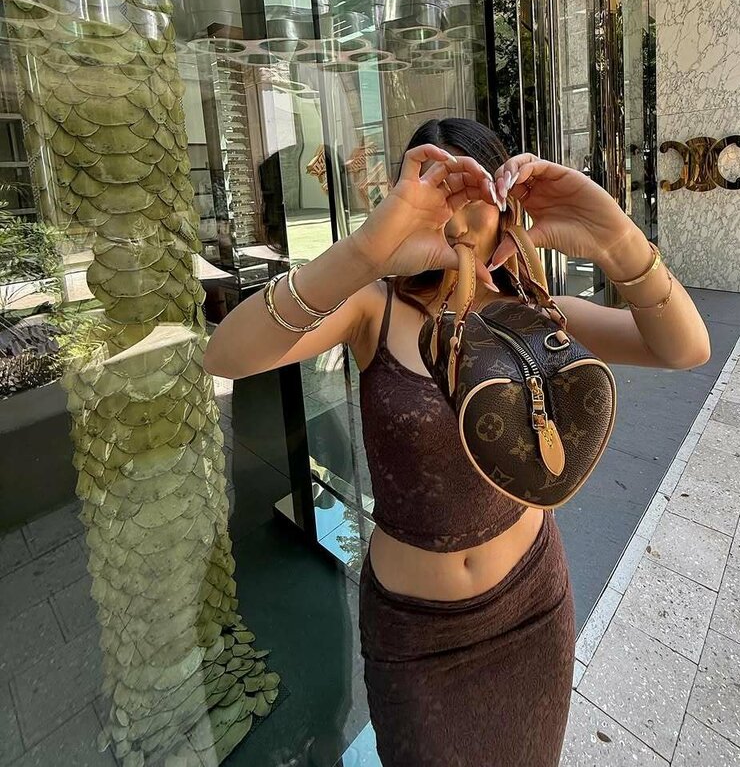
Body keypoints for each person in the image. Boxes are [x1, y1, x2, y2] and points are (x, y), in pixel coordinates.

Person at [204, 117, 711, 767]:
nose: (454, 220)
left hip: (533, 607)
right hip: (418, 635)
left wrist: (618, 238)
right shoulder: (373, 307)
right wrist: (366, 253)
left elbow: (684, 348)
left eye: (471, 196)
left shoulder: (533, 312)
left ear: (504, 208)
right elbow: (227, 354)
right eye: (436, 195)